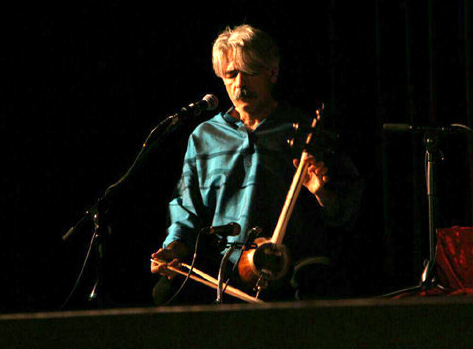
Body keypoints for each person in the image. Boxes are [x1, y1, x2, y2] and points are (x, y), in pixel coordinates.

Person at [150, 24, 362, 302]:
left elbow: (343, 212)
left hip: (289, 262)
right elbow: (187, 206)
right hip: (225, 264)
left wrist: (321, 193)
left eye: (249, 72)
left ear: (272, 73)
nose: (240, 84)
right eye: (231, 74)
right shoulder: (204, 137)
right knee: (167, 293)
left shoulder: (303, 131)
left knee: (319, 286)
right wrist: (174, 247)